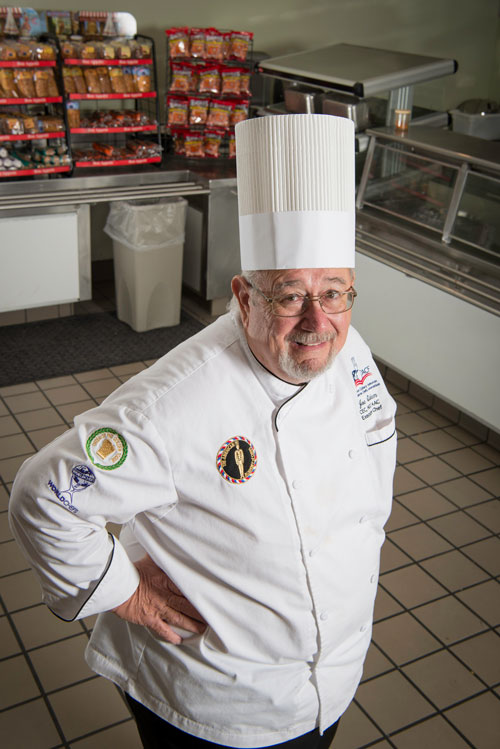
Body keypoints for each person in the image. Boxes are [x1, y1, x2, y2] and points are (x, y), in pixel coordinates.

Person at [9, 114, 397, 749]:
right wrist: (124, 592)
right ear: (244, 297)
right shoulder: (173, 404)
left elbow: (377, 437)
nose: (316, 321)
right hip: (218, 699)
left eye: (334, 293)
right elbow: (43, 495)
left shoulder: (351, 353)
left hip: (332, 676)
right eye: (289, 296)